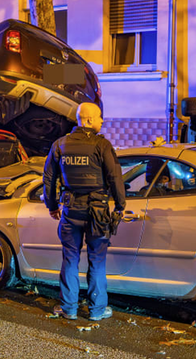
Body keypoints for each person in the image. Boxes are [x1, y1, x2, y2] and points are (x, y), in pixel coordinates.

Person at [43, 102, 126, 321]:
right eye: (99, 117)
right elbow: (115, 177)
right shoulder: (102, 145)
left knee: (70, 259)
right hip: (98, 213)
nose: (102, 121)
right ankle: (97, 311)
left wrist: (52, 206)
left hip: (71, 211)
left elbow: (49, 178)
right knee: (97, 261)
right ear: (88, 120)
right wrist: (120, 205)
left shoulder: (60, 144)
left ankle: (69, 309)